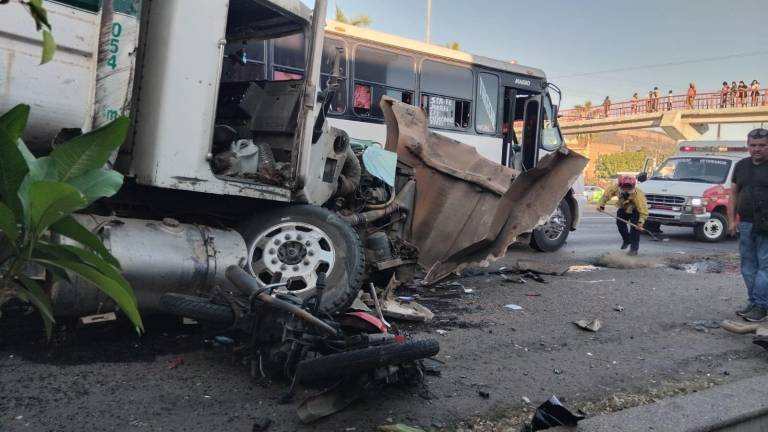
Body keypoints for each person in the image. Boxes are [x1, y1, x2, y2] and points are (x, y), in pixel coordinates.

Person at [729, 128, 768, 321]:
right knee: (747, 266)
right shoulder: (741, 166)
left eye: (762, 145)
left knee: (765, 266)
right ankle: (754, 302)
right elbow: (734, 194)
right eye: (753, 145)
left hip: (767, 225)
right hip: (746, 223)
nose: (757, 149)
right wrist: (731, 220)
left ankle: (761, 306)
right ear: (748, 146)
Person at [597, 175, 649, 256]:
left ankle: (633, 250)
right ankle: (626, 240)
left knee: (635, 230)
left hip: (636, 210)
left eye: (629, 187)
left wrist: (640, 222)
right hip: (623, 207)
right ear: (620, 185)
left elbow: (643, 210)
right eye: (625, 187)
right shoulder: (614, 188)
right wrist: (601, 205)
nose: (627, 189)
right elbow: (606, 196)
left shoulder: (638, 195)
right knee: (620, 225)